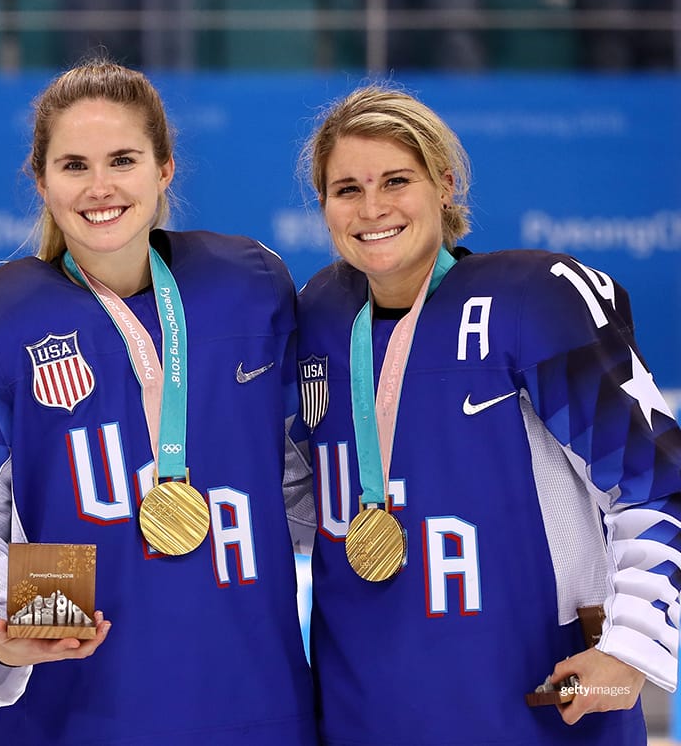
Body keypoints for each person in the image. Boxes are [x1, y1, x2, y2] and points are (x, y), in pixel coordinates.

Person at [0, 60, 317, 744]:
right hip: (80, 712)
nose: (100, 188)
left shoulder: (250, 284)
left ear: (164, 169)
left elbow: (306, 489)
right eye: (74, 166)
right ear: (41, 182)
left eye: (122, 160)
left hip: (258, 704)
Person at [290, 84, 681, 745]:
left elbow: (657, 481)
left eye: (395, 180)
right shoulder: (319, 318)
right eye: (347, 188)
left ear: (444, 185)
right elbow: (298, 505)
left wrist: (631, 651)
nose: (373, 207)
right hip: (364, 713)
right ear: (324, 205)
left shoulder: (533, 300)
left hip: (531, 711)